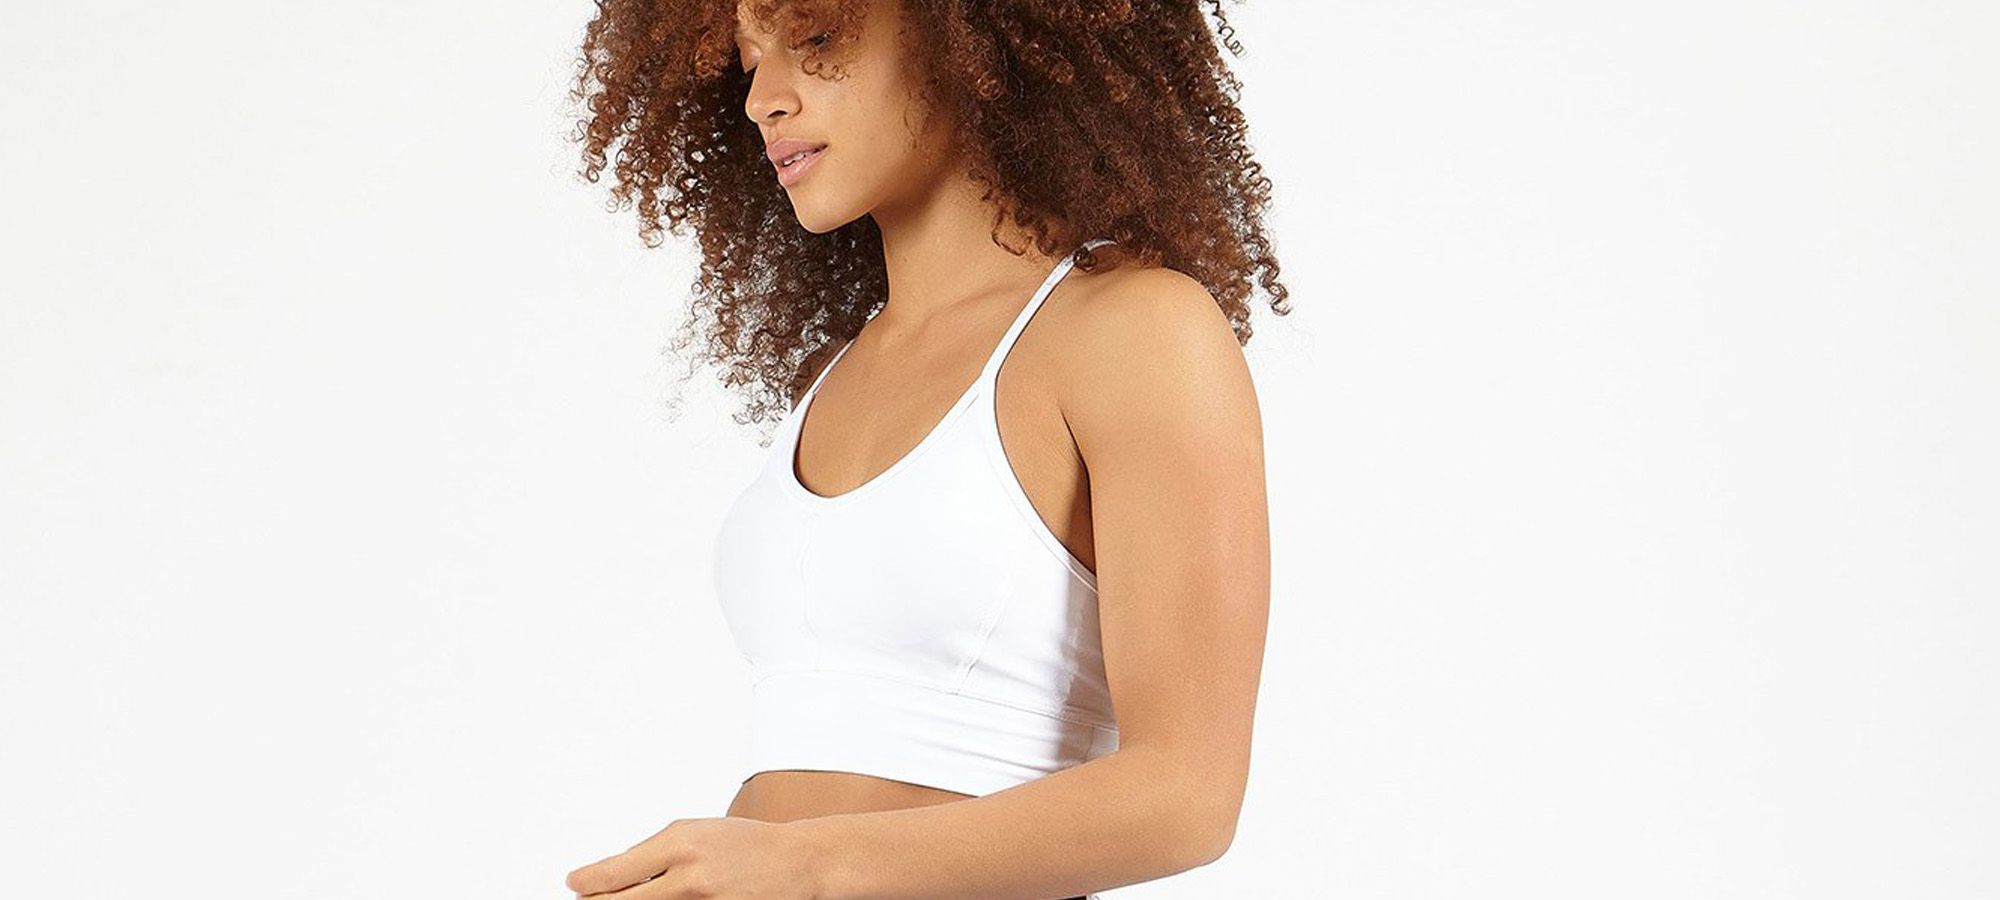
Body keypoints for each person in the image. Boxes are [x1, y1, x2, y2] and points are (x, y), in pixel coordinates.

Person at [563, 1, 1285, 897]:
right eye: (749, 63)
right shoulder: (831, 378)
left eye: (816, 39)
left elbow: (1187, 795)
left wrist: (803, 865)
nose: (762, 100)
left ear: (965, 35)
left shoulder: (1134, 332)